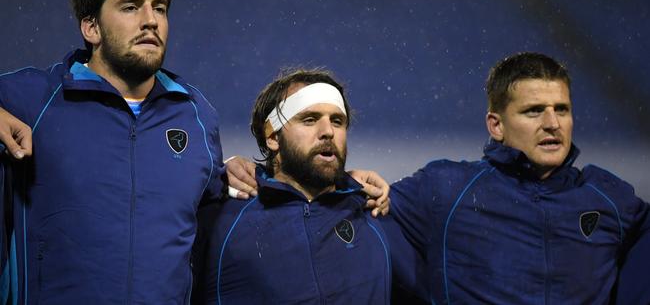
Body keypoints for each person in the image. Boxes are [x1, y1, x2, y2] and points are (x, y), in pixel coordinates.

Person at [226, 52, 649, 304]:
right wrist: (252, 172)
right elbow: (328, 206)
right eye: (534, 111)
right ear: (496, 124)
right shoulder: (446, 189)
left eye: (562, 109)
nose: (552, 123)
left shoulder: (609, 196)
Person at [0, 0, 225, 304]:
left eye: (160, 7)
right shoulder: (33, 98)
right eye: (131, 7)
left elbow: (214, 231)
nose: (150, 20)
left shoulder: (195, 115)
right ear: (91, 28)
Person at [191, 68, 411, 304]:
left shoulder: (376, 213)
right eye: (309, 119)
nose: (328, 132)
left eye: (337, 121)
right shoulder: (220, 220)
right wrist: (216, 176)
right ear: (273, 137)